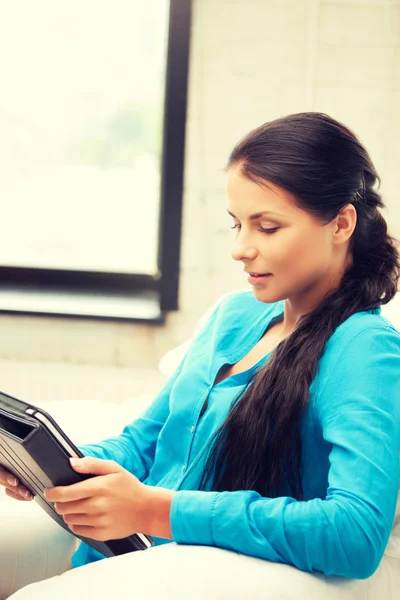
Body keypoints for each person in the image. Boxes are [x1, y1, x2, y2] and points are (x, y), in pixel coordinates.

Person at [1, 112, 400, 599]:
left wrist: (156, 510)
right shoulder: (234, 316)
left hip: (198, 570)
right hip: (128, 552)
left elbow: (355, 532)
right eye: (237, 224)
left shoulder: (363, 348)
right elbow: (145, 442)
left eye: (268, 227)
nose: (240, 249)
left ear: (340, 223)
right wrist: (53, 472)